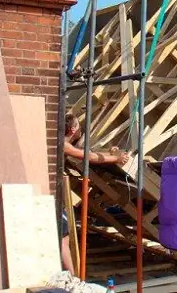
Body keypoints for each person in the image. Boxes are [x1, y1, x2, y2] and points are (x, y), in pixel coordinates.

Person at [60, 113, 129, 275]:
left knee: (63, 237)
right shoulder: (63, 144)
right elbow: (89, 156)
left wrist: (112, 155)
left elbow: (90, 153)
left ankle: (70, 275)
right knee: (63, 238)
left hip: (55, 193)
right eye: (78, 125)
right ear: (73, 129)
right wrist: (116, 159)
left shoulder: (63, 142)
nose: (81, 129)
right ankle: (72, 277)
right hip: (54, 195)